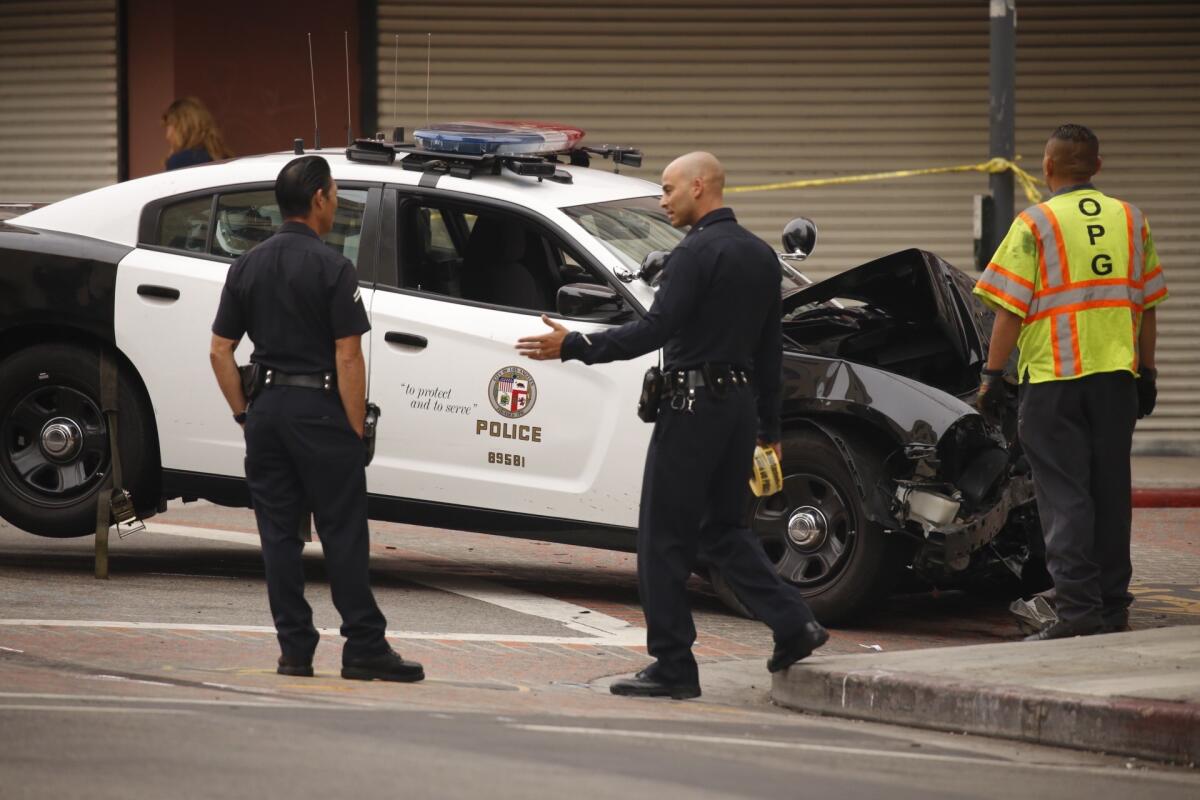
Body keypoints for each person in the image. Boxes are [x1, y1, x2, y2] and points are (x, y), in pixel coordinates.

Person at [517, 151, 828, 698]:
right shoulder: (760, 257)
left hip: (691, 409)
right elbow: (769, 352)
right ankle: (793, 623)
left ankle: (673, 666)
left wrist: (574, 345)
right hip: (736, 412)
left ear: (699, 187)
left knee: (662, 538)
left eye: (667, 190)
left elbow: (653, 330)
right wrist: (769, 428)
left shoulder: (693, 255)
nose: (662, 201)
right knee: (722, 530)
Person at [209, 155, 423, 682]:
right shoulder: (333, 267)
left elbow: (219, 350)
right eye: (334, 193)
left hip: (266, 412)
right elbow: (348, 356)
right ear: (320, 199)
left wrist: (244, 414)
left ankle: (294, 651)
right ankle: (364, 647)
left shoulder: (246, 264)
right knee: (343, 532)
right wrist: (354, 430)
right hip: (321, 413)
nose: (336, 203)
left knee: (278, 536)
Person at [974, 124, 1167, 641]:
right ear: (1097, 167)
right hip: (1116, 383)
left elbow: (1008, 311)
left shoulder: (1035, 222)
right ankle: (1111, 608)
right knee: (1110, 494)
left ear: (1047, 167)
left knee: (1066, 499)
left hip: (1055, 383)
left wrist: (992, 378)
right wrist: (1147, 372)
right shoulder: (1131, 219)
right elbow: (1147, 307)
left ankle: (1078, 613)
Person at [163, 96, 232, 170]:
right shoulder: (226, 158)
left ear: (182, 128)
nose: (167, 135)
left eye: (169, 126)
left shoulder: (179, 161)